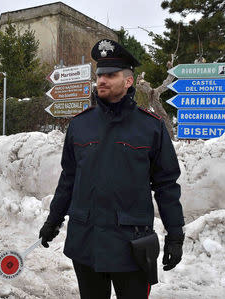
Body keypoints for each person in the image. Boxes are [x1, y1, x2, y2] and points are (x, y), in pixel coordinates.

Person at [39, 39, 185, 299]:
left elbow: (166, 185)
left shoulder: (150, 127)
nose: (101, 81)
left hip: (131, 245)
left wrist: (175, 235)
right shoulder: (80, 125)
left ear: (128, 81)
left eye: (110, 75)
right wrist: (53, 220)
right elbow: (69, 179)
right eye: (99, 75)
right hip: (87, 242)